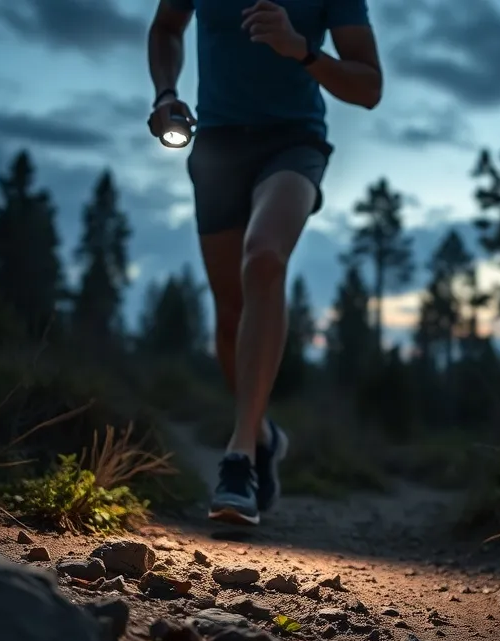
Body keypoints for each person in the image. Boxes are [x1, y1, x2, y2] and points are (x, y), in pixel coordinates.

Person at [146, 0, 383, 526]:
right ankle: (265, 436)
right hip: (218, 145)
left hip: (293, 141)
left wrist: (301, 50)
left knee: (265, 258)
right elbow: (166, 26)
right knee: (230, 315)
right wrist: (166, 92)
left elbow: (368, 87)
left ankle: (238, 461)